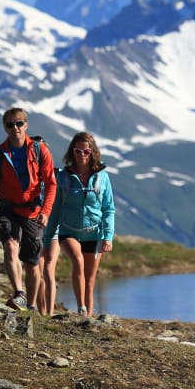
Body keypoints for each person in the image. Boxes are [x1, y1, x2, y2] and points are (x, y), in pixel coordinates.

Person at [0, 107, 57, 311]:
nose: (15, 128)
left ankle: (30, 306)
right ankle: (19, 293)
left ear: (26, 125)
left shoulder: (40, 151)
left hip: (33, 211)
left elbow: (51, 184)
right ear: (5, 128)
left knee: (32, 263)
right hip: (8, 207)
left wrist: (46, 211)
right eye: (10, 125)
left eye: (19, 123)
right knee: (10, 246)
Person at [42, 131, 115, 316]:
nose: (81, 155)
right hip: (69, 231)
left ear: (93, 152)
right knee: (77, 260)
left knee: (90, 281)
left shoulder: (102, 177)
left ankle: (87, 318)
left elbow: (108, 209)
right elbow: (56, 209)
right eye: (77, 151)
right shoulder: (64, 176)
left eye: (86, 151)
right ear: (72, 152)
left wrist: (108, 236)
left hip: (93, 233)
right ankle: (81, 306)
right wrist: (48, 239)